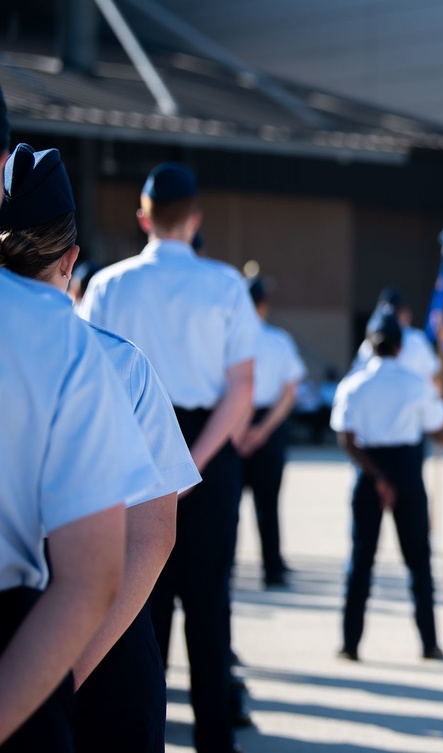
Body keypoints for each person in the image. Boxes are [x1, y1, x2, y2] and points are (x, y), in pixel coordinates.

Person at [0, 143, 203, 753]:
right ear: (71, 260)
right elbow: (154, 532)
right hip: (104, 644)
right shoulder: (115, 363)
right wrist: (63, 674)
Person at [78, 162, 258, 753]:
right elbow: (241, 390)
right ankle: (214, 739)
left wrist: (164, 467)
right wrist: (193, 464)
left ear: (143, 218)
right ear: (196, 218)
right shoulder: (228, 283)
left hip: (126, 445)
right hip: (210, 448)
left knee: (136, 607)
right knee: (210, 604)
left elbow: (84, 375)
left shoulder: (106, 284)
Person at [330, 307, 443, 661]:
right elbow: (437, 427)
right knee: (418, 560)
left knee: (361, 559)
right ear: (399, 346)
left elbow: (346, 439)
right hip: (407, 470)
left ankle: (350, 643)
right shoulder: (413, 383)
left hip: (367, 468)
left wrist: (376, 477)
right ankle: (429, 643)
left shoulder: (353, 384)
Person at [235, 276, 307, 587]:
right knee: (268, 505)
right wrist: (263, 431)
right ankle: (272, 568)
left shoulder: (228, 339)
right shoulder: (278, 340)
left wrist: (239, 430)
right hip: (269, 423)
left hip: (231, 422)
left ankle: (225, 570)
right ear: (263, 305)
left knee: (226, 508)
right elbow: (291, 392)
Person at [350, 287, 440, 383]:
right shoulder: (370, 342)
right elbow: (356, 375)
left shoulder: (417, 340)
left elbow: (434, 377)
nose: (389, 315)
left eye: (394, 311)